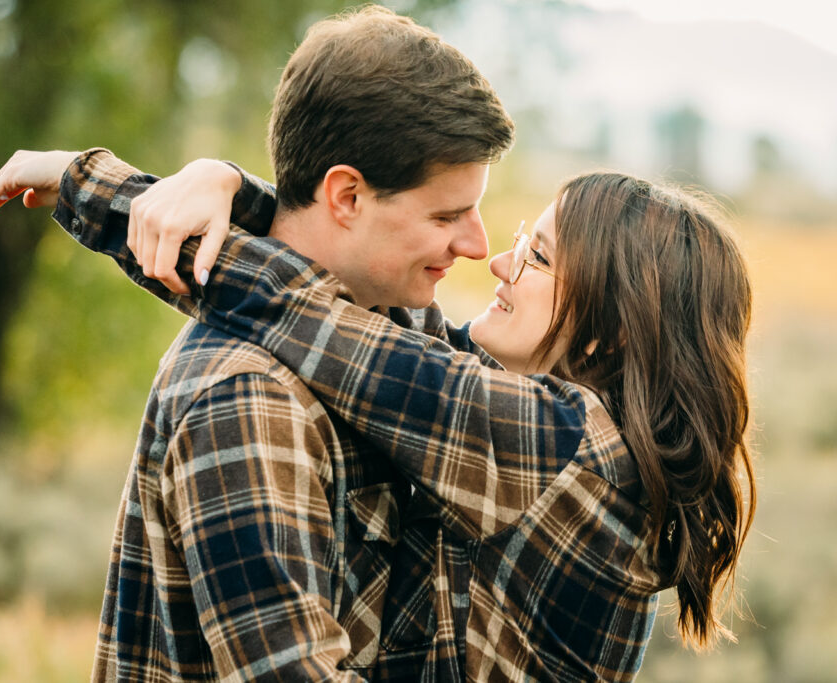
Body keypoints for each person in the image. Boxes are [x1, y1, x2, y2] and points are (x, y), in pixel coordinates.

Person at [0, 6, 514, 682]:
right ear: (346, 196)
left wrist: (224, 183)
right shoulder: (247, 395)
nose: (477, 245)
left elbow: (286, 278)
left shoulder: (397, 322)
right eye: (448, 214)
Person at [52, 162, 759, 682]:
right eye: (524, 237)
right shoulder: (576, 437)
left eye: (539, 257)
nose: (502, 261)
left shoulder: (562, 447)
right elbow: (377, 309)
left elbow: (310, 318)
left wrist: (81, 182)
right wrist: (229, 185)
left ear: (611, 333)